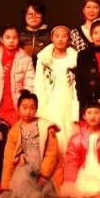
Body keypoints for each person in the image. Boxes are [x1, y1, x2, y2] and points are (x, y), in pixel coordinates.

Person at [0, 91, 60, 198]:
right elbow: (8, 159)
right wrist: (5, 186)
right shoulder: (14, 131)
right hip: (27, 167)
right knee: (22, 181)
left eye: (32, 108)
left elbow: (51, 152)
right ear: (18, 109)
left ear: (36, 109)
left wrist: (44, 174)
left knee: (44, 193)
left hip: (43, 168)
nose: (28, 111)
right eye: (24, 108)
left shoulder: (46, 127)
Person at [0, 25, 36, 127]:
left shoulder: (26, 58)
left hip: (17, 103)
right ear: (1, 39)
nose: (11, 41)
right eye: (8, 37)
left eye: (15, 37)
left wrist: (25, 100)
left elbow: (30, 82)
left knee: (16, 133)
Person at [34, 25, 79, 155]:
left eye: (64, 36)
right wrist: (40, 110)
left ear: (69, 39)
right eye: (57, 36)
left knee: (67, 133)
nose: (60, 39)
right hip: (49, 102)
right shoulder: (43, 59)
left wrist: (75, 111)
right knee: (50, 135)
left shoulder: (75, 58)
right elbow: (39, 84)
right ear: (52, 38)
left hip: (67, 102)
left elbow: (77, 86)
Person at [61, 100, 100, 198]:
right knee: (84, 187)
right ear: (84, 116)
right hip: (84, 169)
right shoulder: (76, 138)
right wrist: (69, 182)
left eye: (96, 112)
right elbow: (71, 161)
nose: (92, 116)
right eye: (89, 113)